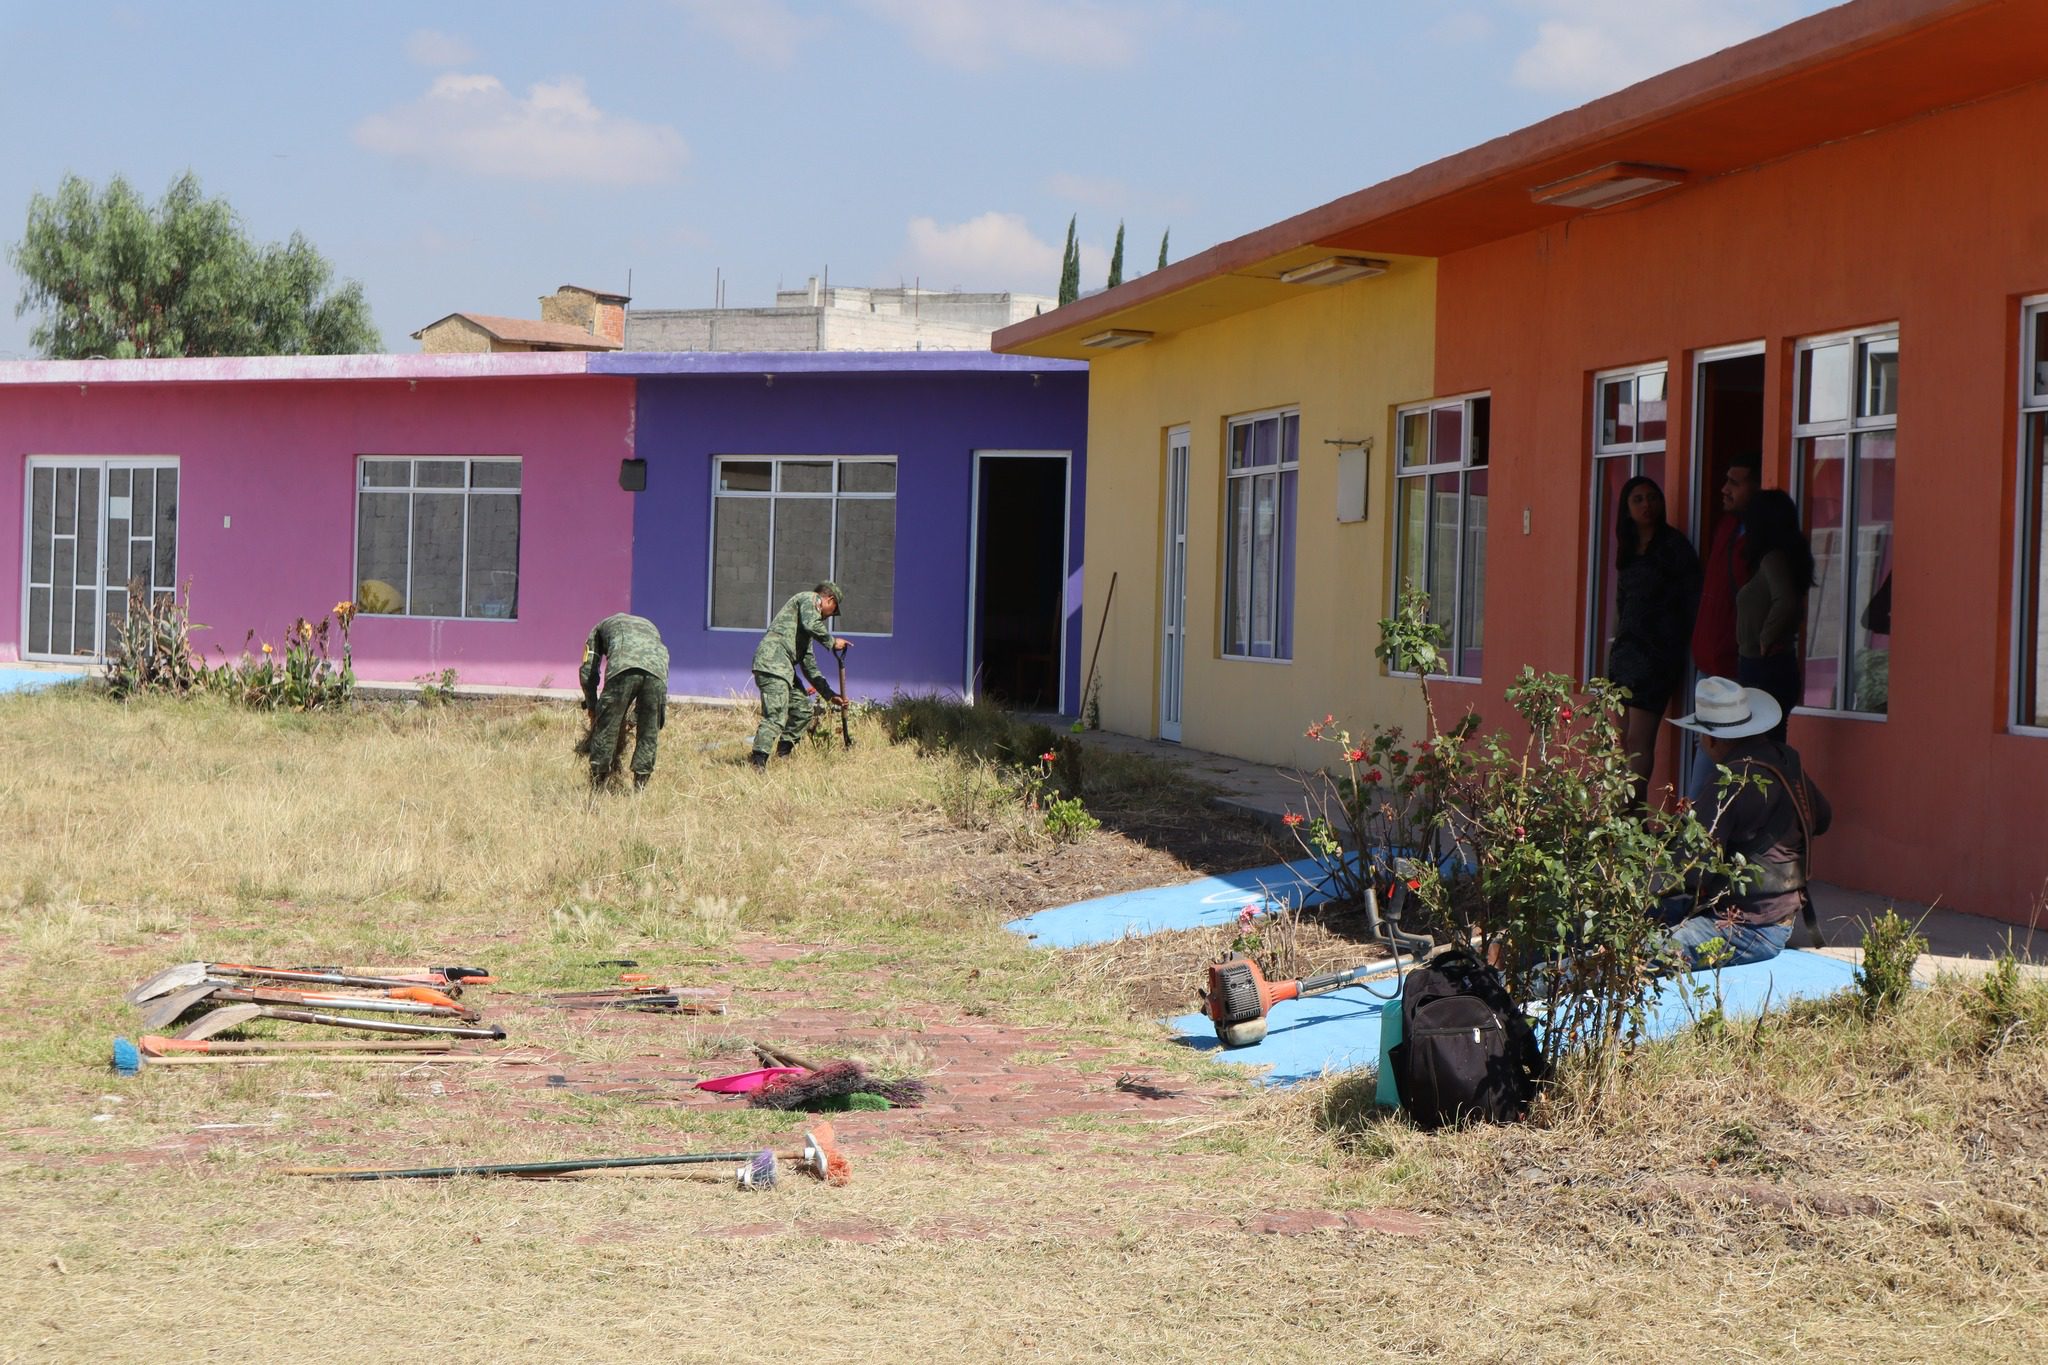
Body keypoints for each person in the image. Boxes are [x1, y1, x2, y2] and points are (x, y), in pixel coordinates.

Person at [1657, 676, 1832, 967]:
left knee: (1633, 949)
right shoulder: (1786, 760)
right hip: (1779, 919)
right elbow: (1824, 819)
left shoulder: (1727, 782)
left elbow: (1692, 870)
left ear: (1712, 739)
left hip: (1747, 928)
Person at [1605, 476, 1701, 803]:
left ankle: (1633, 814)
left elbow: (1693, 600)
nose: (1647, 505)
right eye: (1638, 500)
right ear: (1627, 509)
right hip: (1625, 655)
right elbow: (1622, 605)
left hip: (1657, 655)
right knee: (1622, 742)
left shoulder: (1674, 546)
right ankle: (1625, 813)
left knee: (1639, 741)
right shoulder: (1629, 550)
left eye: (1652, 497)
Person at [1735, 489, 1814, 744]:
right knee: (1767, 743)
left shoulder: (1773, 559)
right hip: (1768, 664)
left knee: (1760, 746)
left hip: (1765, 666)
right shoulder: (1780, 558)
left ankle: (1775, 785)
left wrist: (1766, 637)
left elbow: (1787, 601)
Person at [751, 580, 849, 770]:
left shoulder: (805, 631)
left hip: (784, 668)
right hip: (772, 662)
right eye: (833, 610)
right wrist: (832, 641)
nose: (829, 618)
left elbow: (809, 666)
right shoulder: (808, 598)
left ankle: (783, 753)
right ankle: (758, 761)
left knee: (803, 710)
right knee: (776, 715)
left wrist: (829, 695)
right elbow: (812, 623)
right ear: (829, 600)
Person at [579, 613, 670, 792]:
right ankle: (639, 790)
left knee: (606, 729)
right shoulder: (650, 626)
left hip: (622, 668)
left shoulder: (597, 630)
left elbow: (588, 672)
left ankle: (598, 787)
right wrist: (634, 718)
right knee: (648, 732)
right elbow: (649, 667)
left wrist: (593, 707)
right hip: (658, 673)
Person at [1690, 454, 1760, 682]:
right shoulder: (1727, 526)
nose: (1724, 489)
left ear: (1757, 487)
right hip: (1707, 657)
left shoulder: (1763, 538)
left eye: (1734, 483)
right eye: (1727, 481)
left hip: (1736, 661)